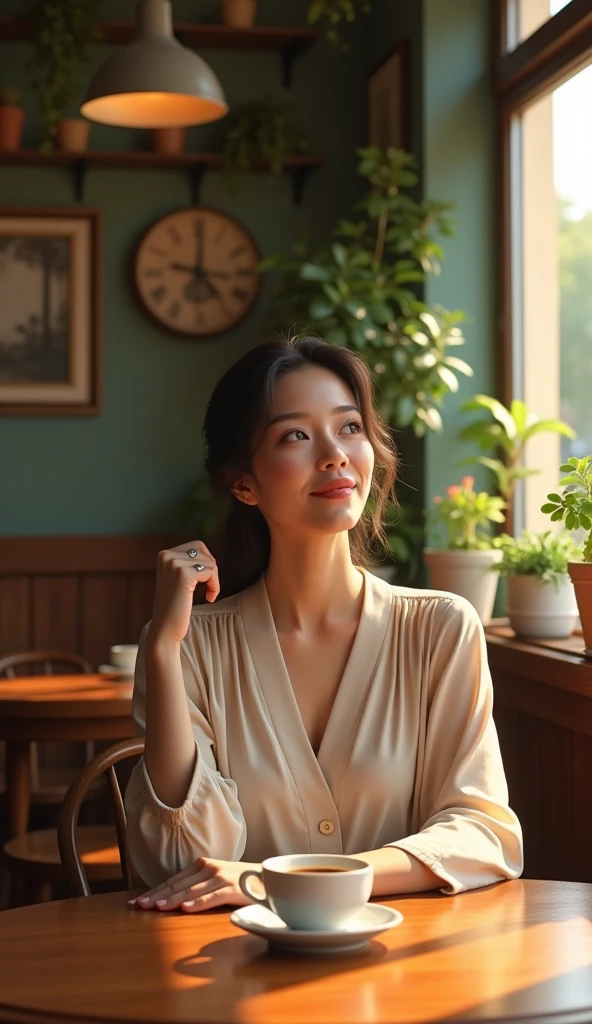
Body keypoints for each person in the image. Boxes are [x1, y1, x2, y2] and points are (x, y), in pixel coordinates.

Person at [125, 335, 523, 914]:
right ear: (244, 483)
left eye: (350, 427)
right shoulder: (191, 647)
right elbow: (180, 865)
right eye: (296, 436)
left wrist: (286, 879)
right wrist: (162, 648)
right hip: (232, 973)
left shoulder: (439, 628)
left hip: (412, 972)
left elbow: (483, 834)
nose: (334, 454)